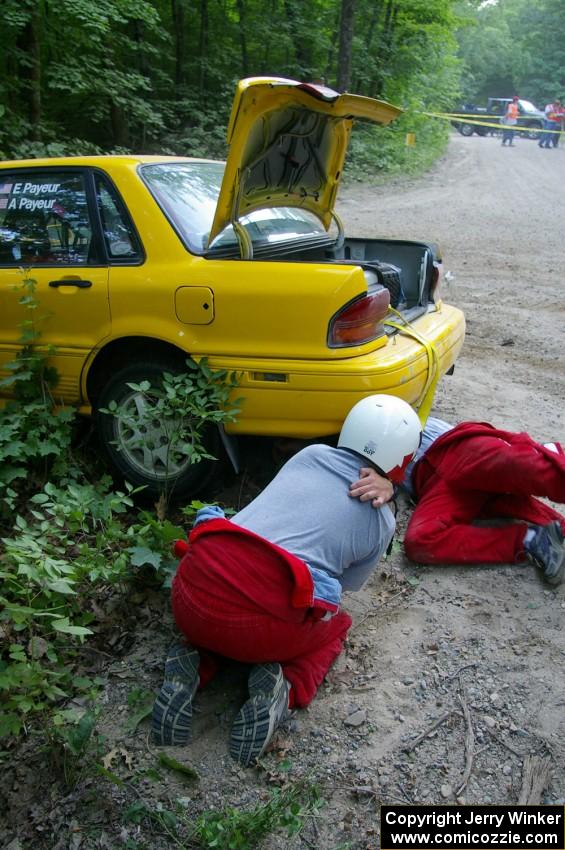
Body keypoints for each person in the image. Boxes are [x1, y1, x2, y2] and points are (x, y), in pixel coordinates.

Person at [151, 394, 422, 765]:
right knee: (337, 623)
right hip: (261, 626)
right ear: (402, 459)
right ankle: (287, 688)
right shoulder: (381, 521)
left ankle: (196, 665)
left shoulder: (308, 456)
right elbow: (340, 590)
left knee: (229, 599)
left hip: (193, 587)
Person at [349, 417, 565, 585]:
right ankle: (535, 540)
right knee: (420, 541)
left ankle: (546, 461)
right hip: (434, 483)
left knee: (519, 465)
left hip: (455, 447)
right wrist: (390, 484)